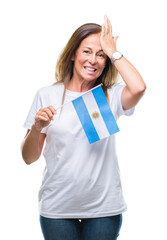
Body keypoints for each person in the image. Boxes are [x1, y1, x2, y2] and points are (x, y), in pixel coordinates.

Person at [21, 15, 146, 240]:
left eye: (101, 54)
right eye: (87, 51)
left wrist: (113, 51)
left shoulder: (110, 95)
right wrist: (37, 127)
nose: (93, 60)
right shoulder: (46, 95)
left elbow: (138, 88)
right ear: (73, 54)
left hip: (103, 209)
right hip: (57, 208)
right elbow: (29, 158)